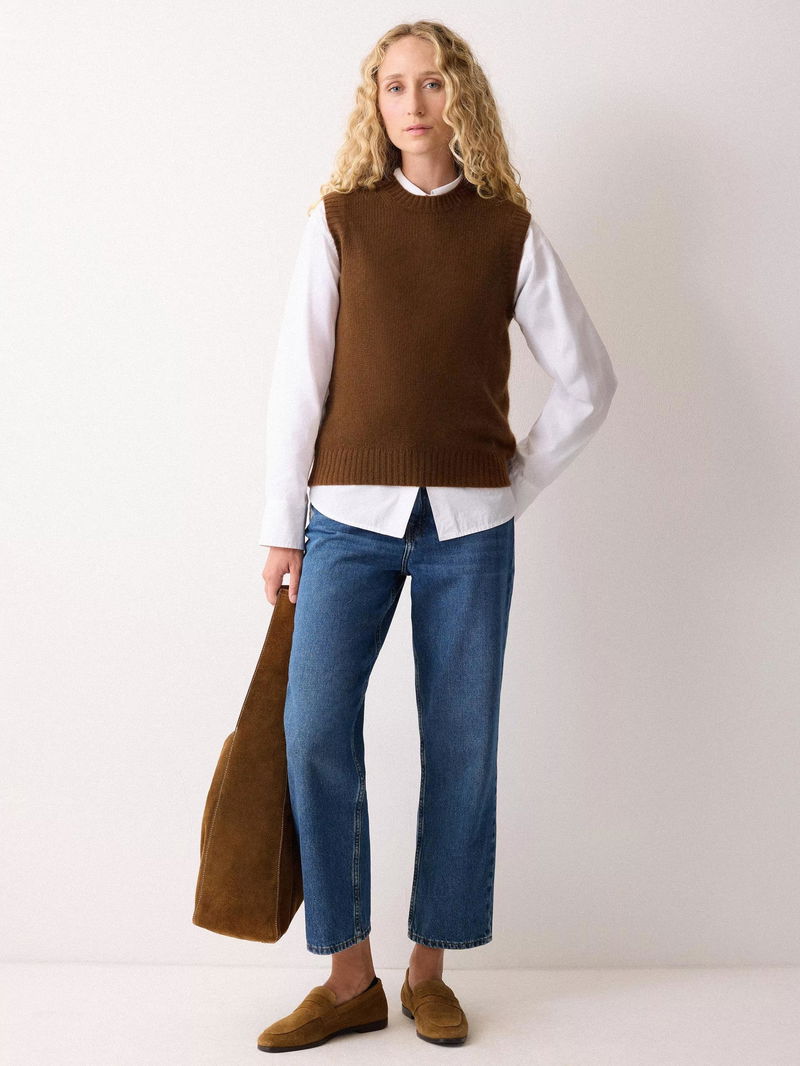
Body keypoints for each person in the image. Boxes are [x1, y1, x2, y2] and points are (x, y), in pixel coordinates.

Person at [256, 20, 618, 1052]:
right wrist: (282, 528)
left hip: (469, 531)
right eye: (393, 86)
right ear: (373, 104)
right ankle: (347, 979)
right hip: (345, 523)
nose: (412, 103)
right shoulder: (340, 223)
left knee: (460, 744)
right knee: (312, 729)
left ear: (461, 96)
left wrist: (512, 482)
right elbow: (297, 383)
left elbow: (588, 381)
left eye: (430, 83)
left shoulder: (507, 232)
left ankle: (429, 972)